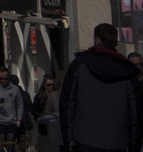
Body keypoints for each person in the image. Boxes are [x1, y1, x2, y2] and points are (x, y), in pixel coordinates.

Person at [59, 23, 141, 152]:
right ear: (115, 41)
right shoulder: (127, 71)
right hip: (117, 140)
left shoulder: (80, 65)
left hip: (85, 138)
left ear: (96, 39)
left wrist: (68, 138)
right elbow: (135, 111)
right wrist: (134, 144)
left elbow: (67, 103)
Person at [0, 67, 22, 139]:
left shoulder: (15, 89)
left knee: (11, 146)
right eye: (1, 79)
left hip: (11, 122)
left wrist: (19, 119)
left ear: (8, 78)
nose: (3, 81)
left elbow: (20, 105)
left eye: (5, 79)